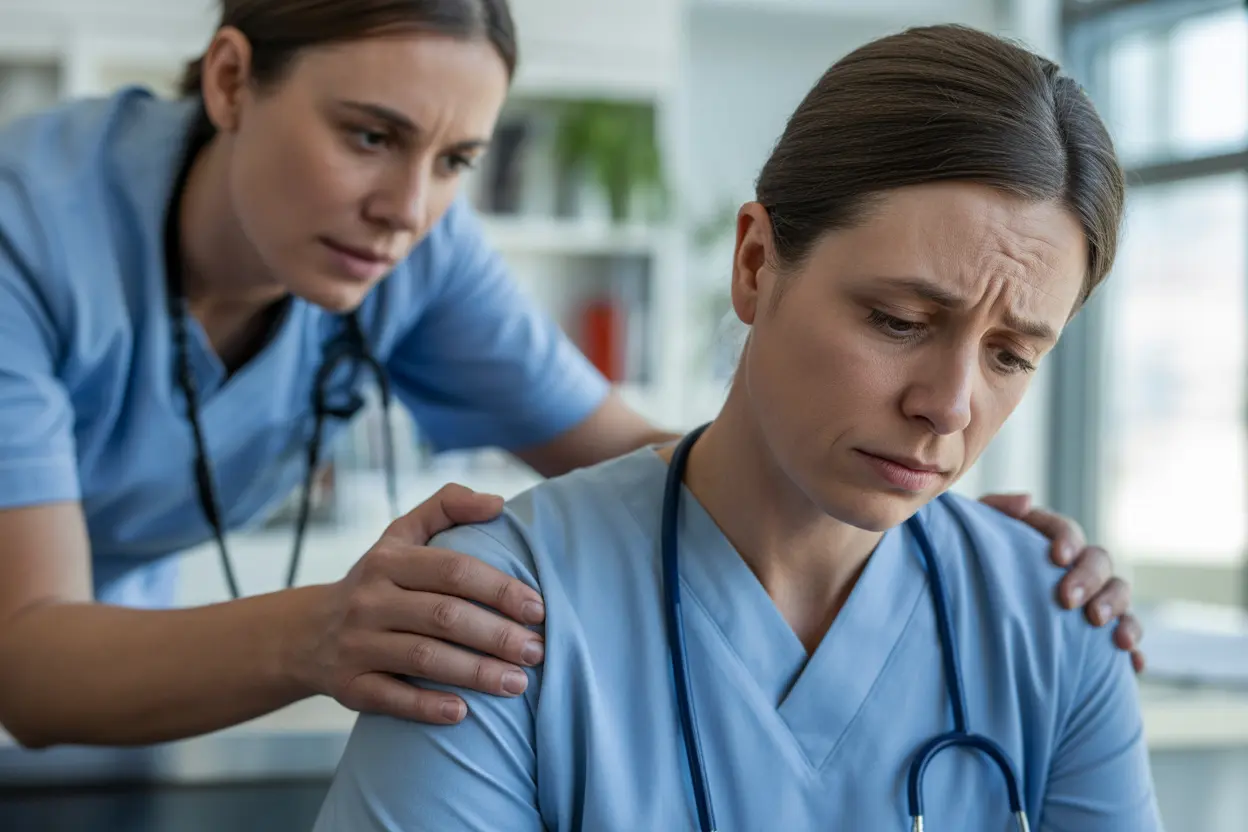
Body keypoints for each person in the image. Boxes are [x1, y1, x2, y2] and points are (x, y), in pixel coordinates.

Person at [0, 0, 1139, 754]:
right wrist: (319, 634)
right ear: (234, 78)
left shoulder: (409, 251)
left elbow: (672, 461)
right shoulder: (28, 232)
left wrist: (926, 529)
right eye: (367, 135)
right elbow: (30, 660)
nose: (408, 208)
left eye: (455, 161)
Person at [311, 23, 1164, 832]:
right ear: (755, 263)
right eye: (899, 320)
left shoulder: (1052, 621)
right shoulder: (494, 608)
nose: (949, 406)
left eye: (1011, 356)